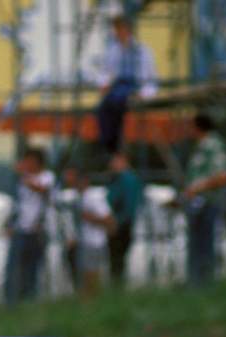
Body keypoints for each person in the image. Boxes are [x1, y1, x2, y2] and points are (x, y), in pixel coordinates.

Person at [178, 113, 226, 285]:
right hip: (198, 204)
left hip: (208, 202)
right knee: (197, 245)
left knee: (204, 245)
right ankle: (196, 285)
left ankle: (204, 285)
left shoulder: (213, 145)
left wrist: (197, 188)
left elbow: (224, 175)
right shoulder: (201, 146)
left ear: (198, 127)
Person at [95, 14, 158, 153]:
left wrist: (145, 93)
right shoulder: (113, 50)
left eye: (121, 29)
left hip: (135, 86)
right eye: (117, 29)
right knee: (103, 108)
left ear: (128, 30)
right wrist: (104, 84)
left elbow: (151, 77)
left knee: (116, 103)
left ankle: (114, 144)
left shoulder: (142, 51)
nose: (118, 33)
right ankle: (110, 143)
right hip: (118, 86)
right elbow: (105, 71)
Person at [4, 147, 54, 303]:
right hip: (20, 229)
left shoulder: (47, 177)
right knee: (13, 270)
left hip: (37, 231)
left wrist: (23, 175)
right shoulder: (21, 180)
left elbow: (42, 189)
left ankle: (29, 300)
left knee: (32, 271)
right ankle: (11, 302)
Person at [63, 168, 116, 297]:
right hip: (84, 243)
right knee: (84, 276)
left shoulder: (93, 197)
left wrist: (89, 217)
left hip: (94, 243)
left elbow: (110, 221)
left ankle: (91, 303)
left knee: (91, 276)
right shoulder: (78, 198)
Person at [105, 152, 144, 286]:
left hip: (120, 224)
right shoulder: (118, 179)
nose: (112, 164)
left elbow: (128, 206)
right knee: (116, 259)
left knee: (117, 259)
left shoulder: (127, 180)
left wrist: (116, 222)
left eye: (116, 161)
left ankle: (116, 286)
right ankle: (116, 286)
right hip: (117, 222)